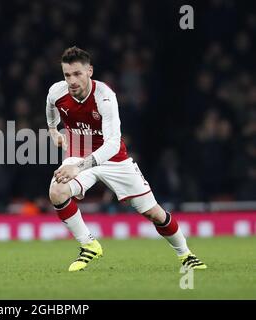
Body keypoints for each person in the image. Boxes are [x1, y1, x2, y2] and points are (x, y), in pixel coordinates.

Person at [46, 46, 207, 272]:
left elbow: (112, 144)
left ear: (89, 71)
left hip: (114, 159)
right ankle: (89, 245)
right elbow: (51, 107)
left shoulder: (105, 97)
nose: (71, 80)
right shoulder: (57, 92)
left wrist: (78, 167)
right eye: (67, 75)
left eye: (77, 74)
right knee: (57, 191)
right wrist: (53, 129)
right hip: (79, 152)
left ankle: (185, 254)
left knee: (154, 212)